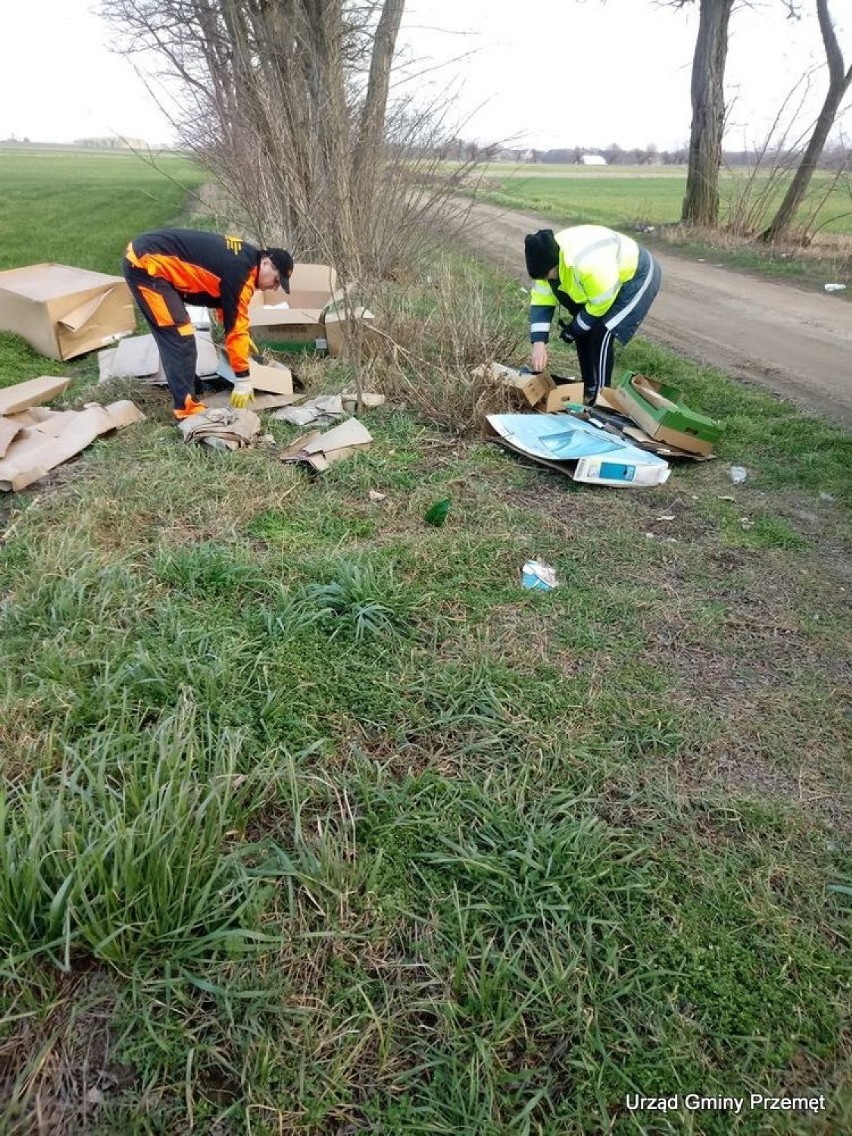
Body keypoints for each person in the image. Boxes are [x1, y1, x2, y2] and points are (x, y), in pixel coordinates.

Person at [122, 229, 294, 419]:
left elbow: (227, 307)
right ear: (267, 262)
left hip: (151, 259)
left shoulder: (247, 262)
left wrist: (243, 341)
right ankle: (187, 410)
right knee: (179, 335)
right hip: (146, 265)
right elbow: (235, 327)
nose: (275, 287)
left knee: (176, 334)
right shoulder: (242, 274)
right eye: (277, 280)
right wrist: (243, 378)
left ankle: (191, 388)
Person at [524, 225, 661, 404]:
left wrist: (575, 328)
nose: (547, 281)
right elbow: (541, 301)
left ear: (555, 263)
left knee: (603, 332)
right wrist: (539, 343)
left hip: (637, 274)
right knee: (582, 330)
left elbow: (600, 303)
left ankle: (601, 400)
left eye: (548, 276)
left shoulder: (586, 264)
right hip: (605, 282)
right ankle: (588, 390)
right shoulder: (545, 265)